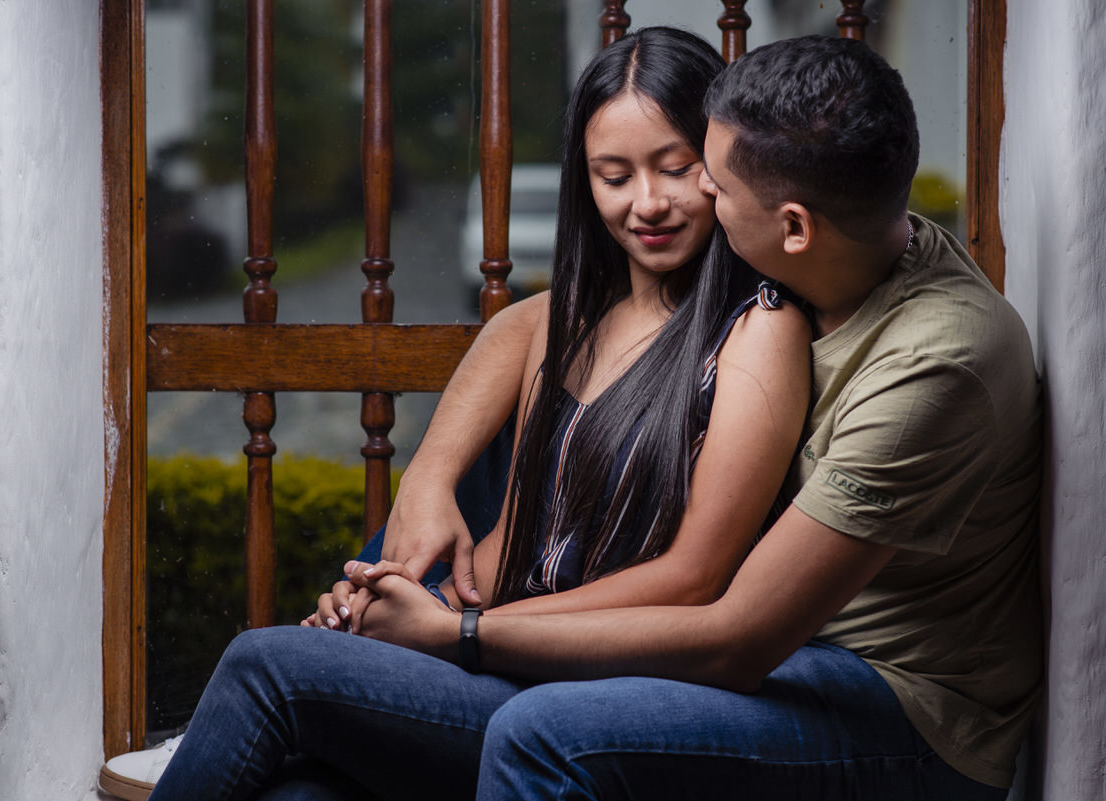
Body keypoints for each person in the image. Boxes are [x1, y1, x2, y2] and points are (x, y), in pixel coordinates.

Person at [101, 27, 811, 801]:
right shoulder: (569, 320)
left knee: (263, 664)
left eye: (676, 169)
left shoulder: (759, 329)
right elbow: (514, 547)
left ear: (721, 161)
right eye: (614, 175)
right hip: (505, 666)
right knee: (299, 794)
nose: (647, 203)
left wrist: (458, 636)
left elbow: (693, 579)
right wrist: (396, 611)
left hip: (596, 693)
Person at [343, 33, 1042, 800]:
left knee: (540, 732)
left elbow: (737, 633)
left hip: (904, 706)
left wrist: (460, 634)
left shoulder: (931, 364)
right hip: (794, 647)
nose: (689, 192)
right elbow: (531, 322)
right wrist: (427, 479)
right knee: (310, 735)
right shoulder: (846, 250)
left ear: (794, 226)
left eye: (701, 174)